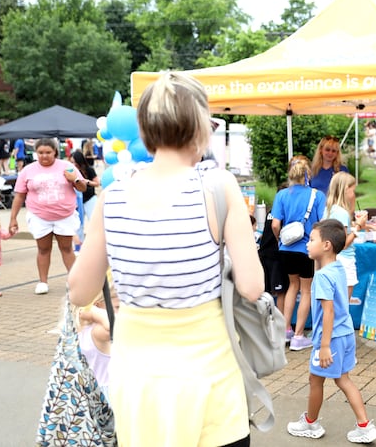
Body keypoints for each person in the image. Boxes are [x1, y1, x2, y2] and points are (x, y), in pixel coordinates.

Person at [67, 71, 265, 447]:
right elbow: (253, 287)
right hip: (210, 378)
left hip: (140, 381)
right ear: (200, 127)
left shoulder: (115, 193)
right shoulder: (218, 186)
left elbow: (79, 291)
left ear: (144, 130)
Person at [286, 219, 376, 443]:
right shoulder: (337, 268)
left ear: (326, 245)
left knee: (315, 380)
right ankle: (365, 426)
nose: (307, 244)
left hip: (330, 339)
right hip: (345, 334)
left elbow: (327, 312)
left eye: (311, 240)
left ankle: (310, 423)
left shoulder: (321, 277)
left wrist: (325, 346)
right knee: (343, 380)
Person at [9, 137, 86, 295]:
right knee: (43, 249)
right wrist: (13, 218)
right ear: (36, 153)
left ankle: (73, 281)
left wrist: (75, 179)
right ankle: (43, 281)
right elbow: (19, 196)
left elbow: (83, 187)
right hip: (39, 216)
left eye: (48, 152)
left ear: (55, 152)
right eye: (40, 152)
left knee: (66, 248)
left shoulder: (67, 166)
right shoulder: (28, 170)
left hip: (64, 215)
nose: (44, 156)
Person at [272, 154, 327, 351]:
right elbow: (322, 223)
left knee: (291, 287)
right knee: (305, 291)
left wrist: (281, 239)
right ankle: (298, 336)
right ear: (307, 174)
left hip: (285, 249)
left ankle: (285, 330)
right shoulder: (317, 195)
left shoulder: (282, 195)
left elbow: (276, 224)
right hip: (306, 249)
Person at [325, 172, 367, 299]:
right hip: (344, 260)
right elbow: (342, 243)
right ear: (345, 190)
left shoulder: (330, 209)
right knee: (343, 304)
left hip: (332, 260)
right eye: (353, 190)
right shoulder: (342, 213)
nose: (354, 194)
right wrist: (358, 227)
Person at [69, 150, 100, 249]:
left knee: (95, 221)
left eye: (75, 162)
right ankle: (78, 247)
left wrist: (86, 182)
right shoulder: (70, 171)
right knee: (78, 225)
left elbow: (97, 183)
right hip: (77, 201)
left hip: (90, 198)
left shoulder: (89, 169)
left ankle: (98, 245)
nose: (73, 164)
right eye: (71, 162)